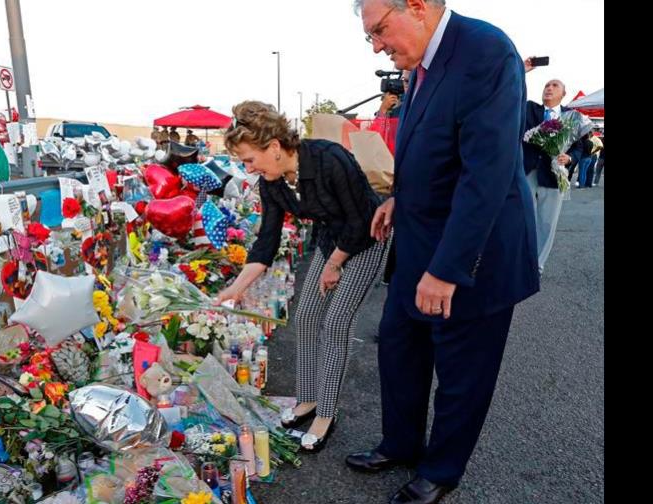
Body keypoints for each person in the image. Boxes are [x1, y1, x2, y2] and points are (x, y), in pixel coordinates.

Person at [346, 2, 540, 503]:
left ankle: (441, 470)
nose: (377, 46)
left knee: (462, 373)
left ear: (415, 6)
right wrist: (398, 198)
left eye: (380, 31)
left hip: (474, 253)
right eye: (371, 37)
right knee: (398, 346)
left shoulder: (485, 51)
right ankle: (400, 443)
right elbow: (433, 151)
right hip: (418, 240)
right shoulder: (422, 64)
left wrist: (448, 270)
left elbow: (485, 174)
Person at [216, 100, 388, 453]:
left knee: (336, 323)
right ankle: (308, 399)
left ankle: (326, 414)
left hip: (368, 237)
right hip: (331, 241)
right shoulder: (273, 183)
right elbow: (266, 242)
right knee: (306, 317)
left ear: (274, 146)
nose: (248, 169)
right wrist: (235, 288)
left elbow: (359, 221)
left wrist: (334, 265)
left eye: (250, 159)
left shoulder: (329, 158)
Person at [519, 75, 584, 276]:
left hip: (554, 176)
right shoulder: (529, 108)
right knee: (521, 218)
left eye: (555, 85)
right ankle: (519, 261)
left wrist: (569, 157)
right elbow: (514, 96)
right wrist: (522, 72)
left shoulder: (573, 117)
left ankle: (536, 266)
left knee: (547, 223)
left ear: (563, 93)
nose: (549, 88)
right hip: (527, 171)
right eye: (547, 85)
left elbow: (579, 147)